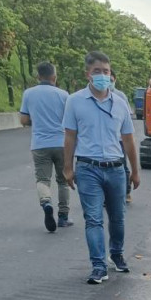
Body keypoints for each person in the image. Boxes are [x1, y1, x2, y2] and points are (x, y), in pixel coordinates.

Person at [63, 50, 140, 285]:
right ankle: (98, 264)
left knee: (117, 218)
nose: (102, 76)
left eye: (106, 72)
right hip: (88, 168)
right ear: (88, 73)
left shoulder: (120, 103)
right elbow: (70, 137)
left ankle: (116, 253)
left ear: (110, 74)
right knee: (93, 219)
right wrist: (68, 168)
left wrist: (135, 170)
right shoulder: (74, 101)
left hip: (116, 168)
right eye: (97, 71)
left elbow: (128, 139)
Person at [19, 61, 72, 232]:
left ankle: (46, 202)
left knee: (43, 180)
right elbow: (70, 121)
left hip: (40, 144)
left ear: (38, 76)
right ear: (54, 77)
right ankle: (63, 217)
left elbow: (24, 120)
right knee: (63, 180)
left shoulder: (29, 93)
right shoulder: (64, 95)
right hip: (62, 143)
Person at [110, 70, 133, 204]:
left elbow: (127, 117)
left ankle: (126, 192)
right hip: (105, 140)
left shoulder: (120, 96)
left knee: (122, 166)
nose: (109, 83)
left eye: (111, 80)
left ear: (115, 80)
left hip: (119, 139)